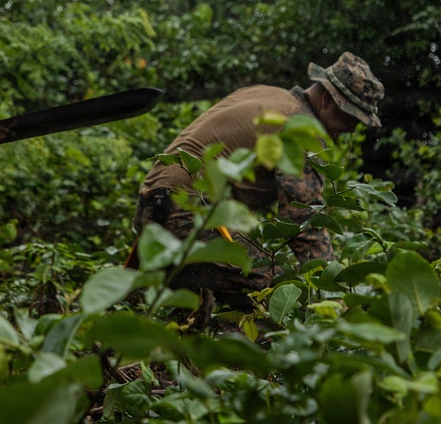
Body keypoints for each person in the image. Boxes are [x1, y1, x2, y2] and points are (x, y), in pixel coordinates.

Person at [128, 52, 385, 310]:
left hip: (154, 202)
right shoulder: (301, 127)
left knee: (195, 312)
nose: (352, 128)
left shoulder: (270, 96)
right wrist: (336, 293)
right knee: (267, 286)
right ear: (327, 99)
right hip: (185, 212)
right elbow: (304, 223)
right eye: (351, 117)